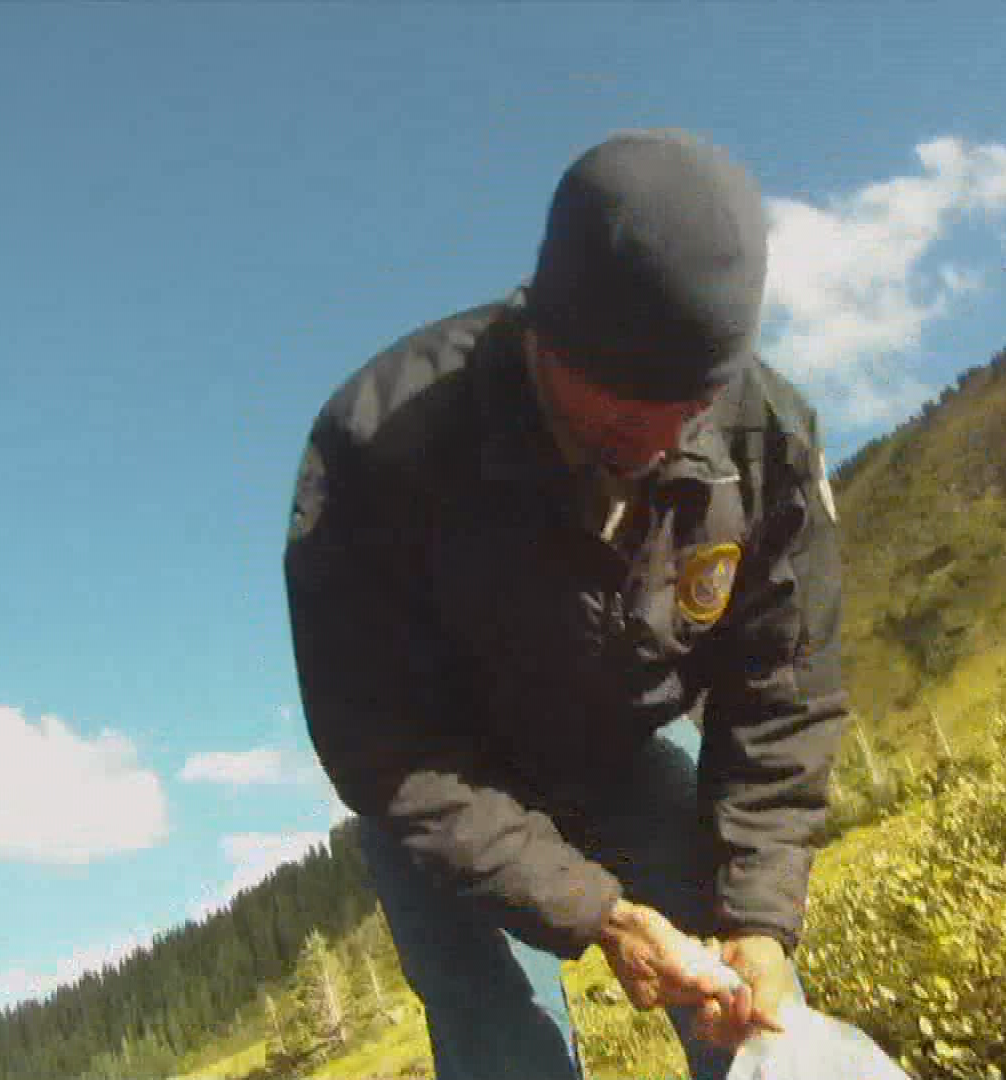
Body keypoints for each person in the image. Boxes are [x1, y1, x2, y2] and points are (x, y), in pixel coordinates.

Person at [282, 128, 850, 1080]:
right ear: (547, 331)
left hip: (620, 752)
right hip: (443, 785)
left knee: (753, 1011)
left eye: (693, 401)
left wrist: (758, 919)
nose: (665, 438)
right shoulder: (379, 451)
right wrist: (602, 916)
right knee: (504, 1045)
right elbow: (384, 743)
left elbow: (782, 693)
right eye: (627, 406)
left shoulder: (767, 446)